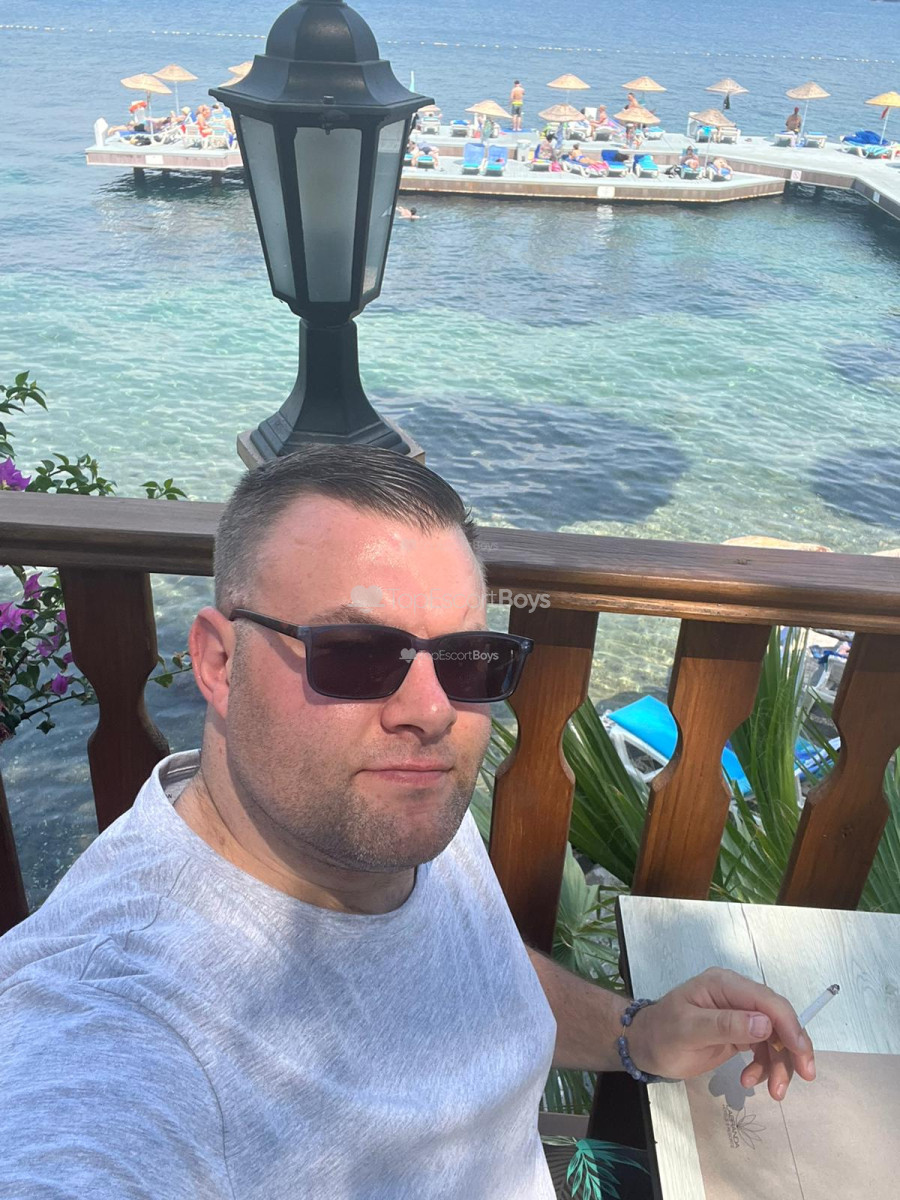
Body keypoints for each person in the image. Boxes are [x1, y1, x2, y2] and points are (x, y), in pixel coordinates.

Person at [0, 447, 816, 1199]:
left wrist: (636, 1033)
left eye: (467, 660)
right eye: (357, 653)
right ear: (219, 662)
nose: (431, 710)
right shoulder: (117, 1025)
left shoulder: (378, 809)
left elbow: (477, 977)